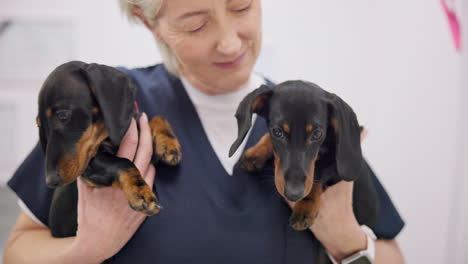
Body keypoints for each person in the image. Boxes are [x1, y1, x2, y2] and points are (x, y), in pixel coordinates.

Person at [3, 0, 405, 263]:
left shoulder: (309, 119)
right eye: (196, 25)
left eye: (242, 7)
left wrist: (347, 241)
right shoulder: (97, 106)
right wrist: (87, 248)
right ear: (150, 22)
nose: (230, 44)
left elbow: (394, 254)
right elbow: (17, 250)